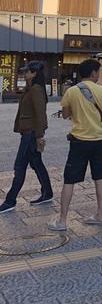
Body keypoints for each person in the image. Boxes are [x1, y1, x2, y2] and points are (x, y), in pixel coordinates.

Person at [48, 58, 102, 231]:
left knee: (69, 179)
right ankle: (100, 213)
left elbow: (65, 114)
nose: (99, 75)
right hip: (99, 141)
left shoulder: (72, 91)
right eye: (98, 72)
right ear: (93, 73)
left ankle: (62, 220)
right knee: (99, 177)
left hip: (79, 142)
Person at [0, 61, 53, 213]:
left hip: (30, 134)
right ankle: (47, 193)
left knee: (20, 166)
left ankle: (10, 201)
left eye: (27, 71)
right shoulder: (30, 88)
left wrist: (39, 135)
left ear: (34, 73)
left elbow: (40, 114)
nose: (24, 73)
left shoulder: (36, 89)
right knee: (36, 163)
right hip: (28, 132)